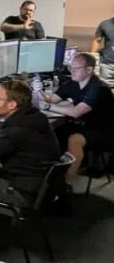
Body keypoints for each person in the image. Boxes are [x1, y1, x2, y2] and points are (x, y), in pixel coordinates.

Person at [0, 80, 61, 208]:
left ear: (12, 105)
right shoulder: (35, 116)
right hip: (38, 187)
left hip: (22, 192)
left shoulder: (16, 129)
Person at [40, 52, 114, 185]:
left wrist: (47, 107)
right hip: (82, 125)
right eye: (70, 68)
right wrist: (38, 90)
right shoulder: (72, 83)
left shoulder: (98, 88)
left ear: (89, 70)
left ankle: (67, 183)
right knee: (49, 132)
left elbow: (76, 112)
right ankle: (49, 174)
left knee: (75, 139)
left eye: (76, 69)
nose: (72, 71)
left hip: (102, 130)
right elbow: (53, 100)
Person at [90, 15, 114, 84]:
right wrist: (91, 58)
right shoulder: (105, 24)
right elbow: (97, 41)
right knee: (103, 89)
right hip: (107, 65)